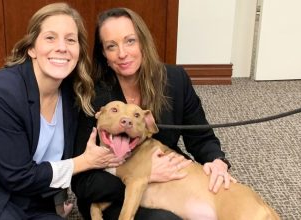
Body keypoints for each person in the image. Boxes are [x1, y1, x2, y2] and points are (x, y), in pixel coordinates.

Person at [0, 3, 124, 220]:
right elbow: (16, 176)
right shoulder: (1, 94)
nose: (62, 47)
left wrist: (57, 207)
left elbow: (55, 156)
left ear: (78, 50)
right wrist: (85, 161)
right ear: (31, 47)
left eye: (70, 39)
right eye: (50, 38)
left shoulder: (72, 92)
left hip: (34, 202)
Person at [71, 7, 236, 220]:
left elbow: (201, 136)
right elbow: (82, 183)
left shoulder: (174, 79)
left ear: (143, 41)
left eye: (130, 41)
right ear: (103, 53)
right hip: (110, 191)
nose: (122, 53)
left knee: (223, 199)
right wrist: (143, 177)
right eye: (112, 46)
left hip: (167, 177)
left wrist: (216, 160)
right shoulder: (91, 93)